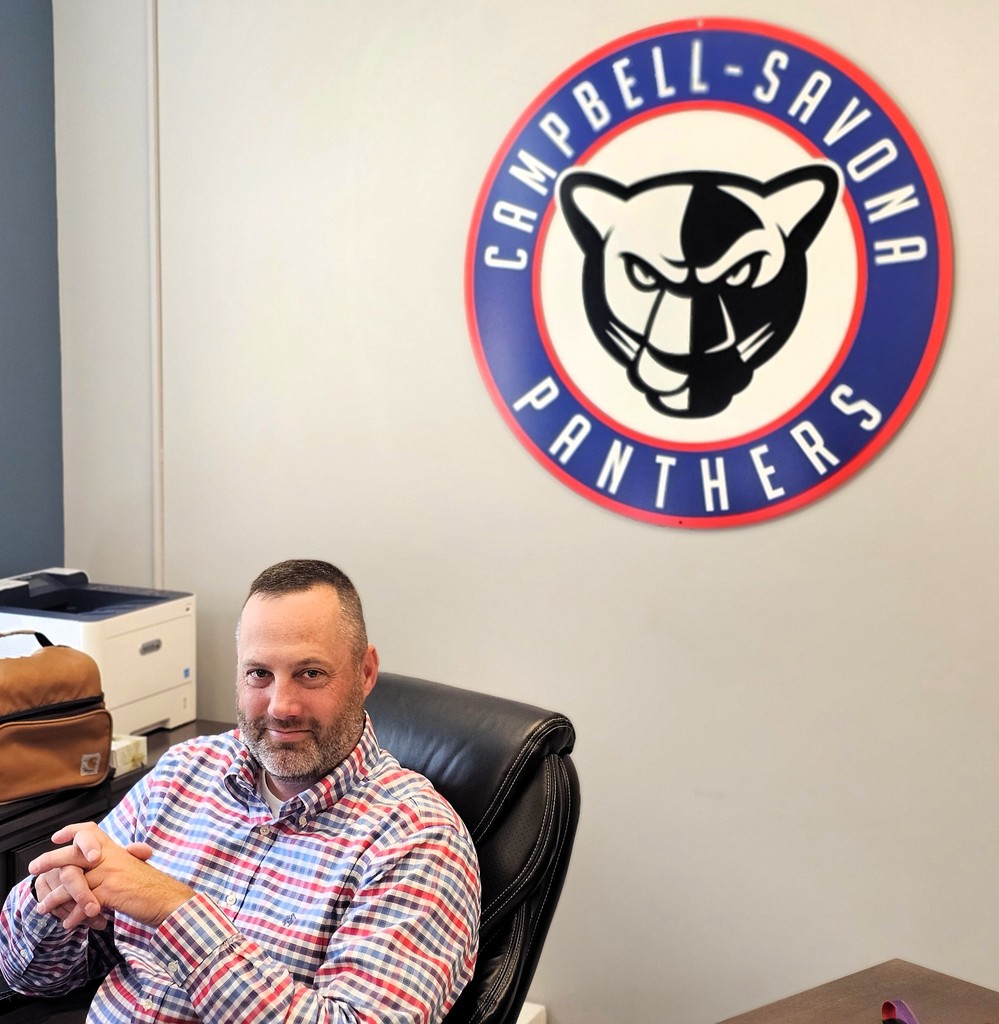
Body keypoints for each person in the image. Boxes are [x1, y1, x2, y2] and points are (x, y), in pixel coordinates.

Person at [0, 559, 481, 1023]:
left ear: (365, 673)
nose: (281, 706)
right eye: (259, 674)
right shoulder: (184, 773)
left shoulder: (419, 839)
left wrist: (175, 910)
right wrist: (52, 902)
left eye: (310, 673)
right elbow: (31, 978)